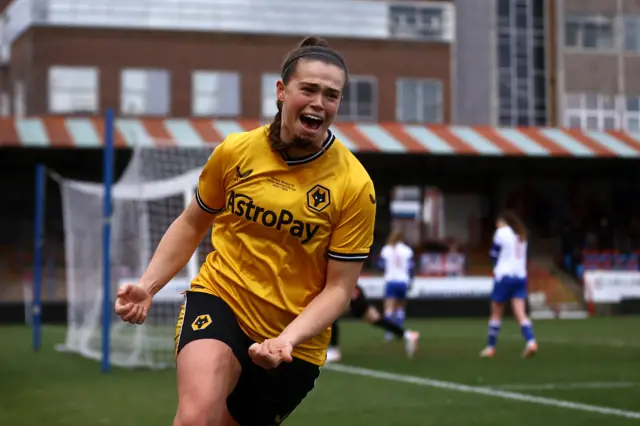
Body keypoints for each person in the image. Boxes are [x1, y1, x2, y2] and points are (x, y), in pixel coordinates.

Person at [114, 36, 377, 426]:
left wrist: (287, 339)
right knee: (194, 419)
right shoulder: (236, 151)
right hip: (222, 300)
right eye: (308, 89)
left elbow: (339, 289)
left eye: (332, 95)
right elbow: (192, 222)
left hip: (293, 344)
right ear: (282, 91)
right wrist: (148, 286)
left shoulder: (355, 185)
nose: (320, 103)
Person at [480, 211, 538, 359]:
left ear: (502, 222)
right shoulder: (521, 235)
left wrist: (495, 266)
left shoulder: (502, 232)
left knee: (496, 313)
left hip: (504, 277)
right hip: (520, 277)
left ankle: (491, 347)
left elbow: (493, 254)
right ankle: (531, 341)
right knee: (520, 313)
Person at [325, 283, 420, 363]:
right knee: (376, 319)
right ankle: (408, 335)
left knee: (330, 316)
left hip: (348, 291)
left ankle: (334, 351)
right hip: (351, 290)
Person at [378, 230, 414, 341]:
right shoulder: (407, 250)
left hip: (391, 281)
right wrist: (411, 281)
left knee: (389, 309)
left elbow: (381, 265)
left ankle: (389, 333)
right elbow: (411, 267)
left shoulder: (386, 249)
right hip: (403, 281)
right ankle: (398, 331)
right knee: (400, 309)